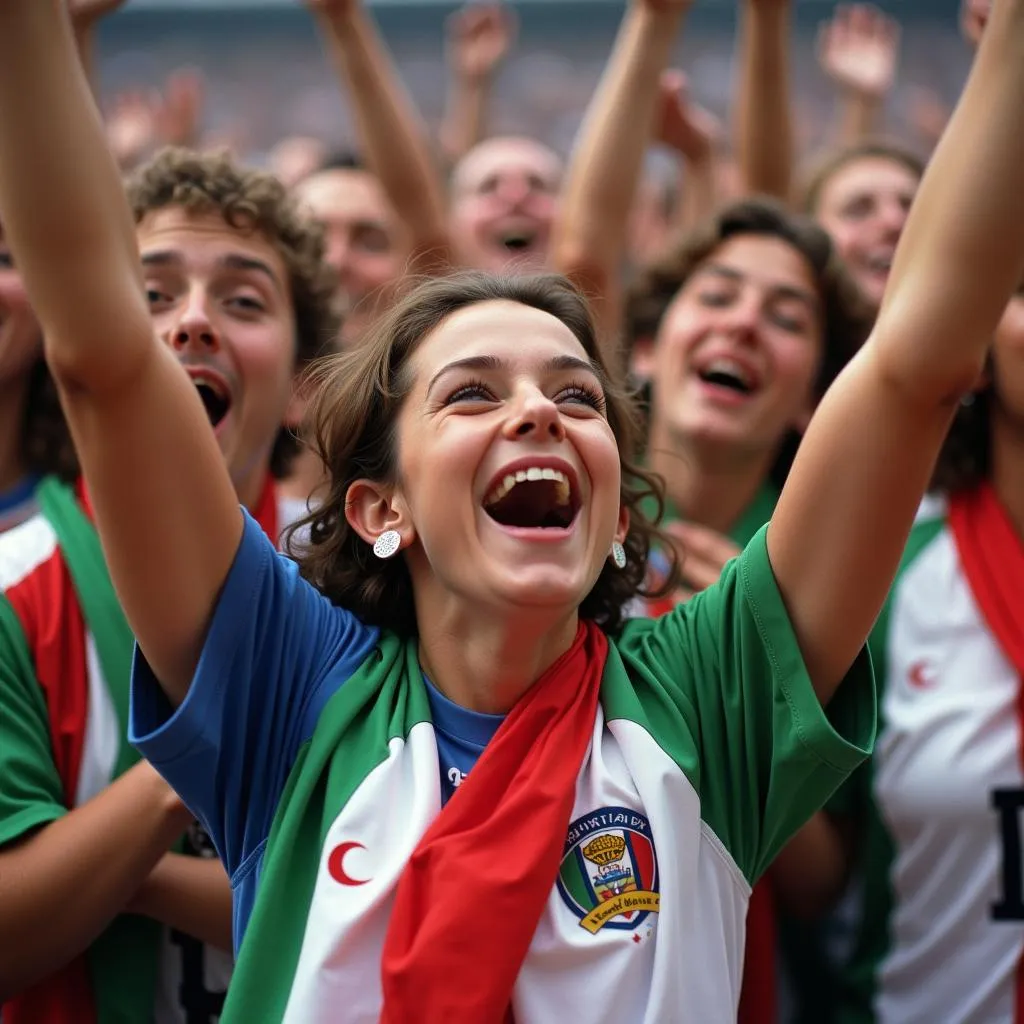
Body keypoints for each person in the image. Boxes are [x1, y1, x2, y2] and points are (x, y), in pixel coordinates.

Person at [4, 5, 1024, 1023]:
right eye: (472, 394)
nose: (538, 410)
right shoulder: (286, 691)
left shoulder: (707, 706)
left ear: (621, 516)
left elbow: (911, 369)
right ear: (378, 506)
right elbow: (105, 357)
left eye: (577, 397)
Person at [0, 145, 338, 1023]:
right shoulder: (10, 587)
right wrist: (180, 768)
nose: (193, 322)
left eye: (244, 299)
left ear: (304, 384)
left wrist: (128, 876)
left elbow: (414, 888)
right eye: (149, 297)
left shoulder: (372, 578)